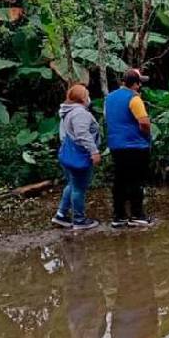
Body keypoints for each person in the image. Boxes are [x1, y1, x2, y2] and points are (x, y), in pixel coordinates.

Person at [105, 69, 153, 228]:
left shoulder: (109, 98)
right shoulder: (134, 99)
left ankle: (118, 216)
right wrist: (147, 135)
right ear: (136, 84)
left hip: (116, 145)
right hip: (134, 145)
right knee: (136, 180)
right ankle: (137, 215)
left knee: (120, 180)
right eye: (139, 83)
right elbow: (144, 122)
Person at [53, 84, 101, 230]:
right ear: (82, 98)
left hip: (69, 153)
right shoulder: (79, 113)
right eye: (87, 95)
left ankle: (61, 214)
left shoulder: (68, 111)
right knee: (79, 188)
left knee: (72, 185)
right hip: (80, 154)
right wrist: (94, 151)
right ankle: (79, 219)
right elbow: (82, 134)